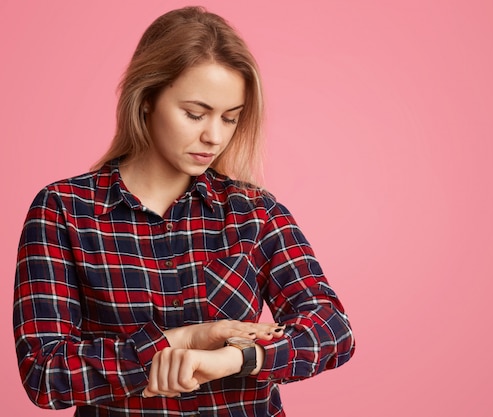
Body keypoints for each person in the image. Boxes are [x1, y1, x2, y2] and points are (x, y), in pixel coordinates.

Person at [13, 6, 355, 417]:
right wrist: (182, 340)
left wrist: (233, 358)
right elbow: (45, 374)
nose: (213, 136)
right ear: (146, 100)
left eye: (230, 119)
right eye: (195, 114)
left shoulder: (253, 213)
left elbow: (333, 328)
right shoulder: (64, 211)